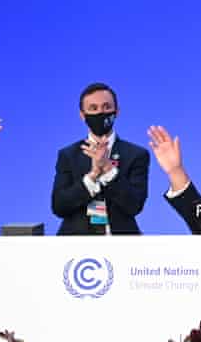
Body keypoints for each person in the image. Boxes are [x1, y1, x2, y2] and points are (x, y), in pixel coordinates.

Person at [51, 83, 150, 234]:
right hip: (75, 246)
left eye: (106, 107)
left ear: (117, 111)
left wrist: (109, 170)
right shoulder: (68, 155)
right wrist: (92, 175)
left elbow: (134, 205)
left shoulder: (136, 155)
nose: (100, 112)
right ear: (82, 115)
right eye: (93, 108)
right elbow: (59, 206)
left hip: (123, 244)